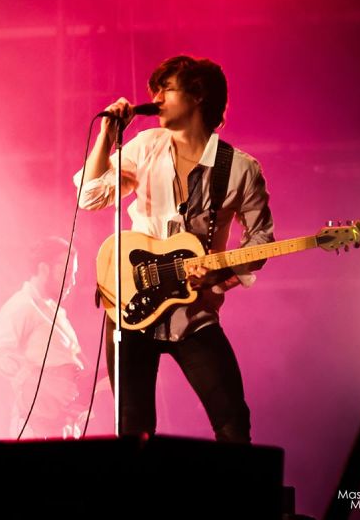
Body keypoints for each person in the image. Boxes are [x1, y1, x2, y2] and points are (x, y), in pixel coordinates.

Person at [74, 55, 274, 443]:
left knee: (232, 421)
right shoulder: (147, 145)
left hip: (194, 314)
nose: (156, 98)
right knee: (134, 434)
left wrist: (220, 278)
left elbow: (261, 239)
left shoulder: (240, 169)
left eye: (166, 89)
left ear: (197, 95)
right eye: (155, 91)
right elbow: (90, 195)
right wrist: (107, 136)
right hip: (132, 307)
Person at [0, 236, 87, 439]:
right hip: (35, 429)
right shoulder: (22, 305)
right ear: (44, 268)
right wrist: (44, 383)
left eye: (74, 275)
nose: (72, 282)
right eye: (64, 273)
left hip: (62, 428)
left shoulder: (56, 312)